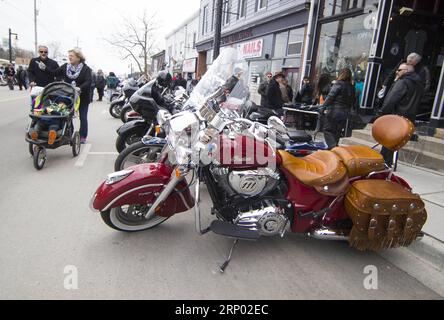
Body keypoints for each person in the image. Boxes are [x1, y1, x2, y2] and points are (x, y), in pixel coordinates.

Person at [40, 48, 92, 144]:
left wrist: (80, 88)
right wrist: (45, 68)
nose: (69, 57)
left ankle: (83, 136)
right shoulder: (65, 67)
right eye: (69, 56)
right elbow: (54, 73)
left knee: (83, 117)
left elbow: (88, 81)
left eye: (71, 56)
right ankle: (69, 134)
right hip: (69, 97)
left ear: (78, 57)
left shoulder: (86, 69)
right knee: (67, 116)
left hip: (82, 97)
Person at [377, 63, 424, 166]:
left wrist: (383, 113)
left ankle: (385, 162)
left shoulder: (402, 83)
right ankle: (390, 161)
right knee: (397, 141)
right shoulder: (419, 84)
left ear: (406, 71)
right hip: (409, 117)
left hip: (397, 116)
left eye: (399, 70)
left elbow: (391, 99)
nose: (396, 72)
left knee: (389, 140)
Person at [322, 68, 356, 150]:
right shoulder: (352, 87)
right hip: (345, 113)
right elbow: (353, 101)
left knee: (327, 130)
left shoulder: (338, 84)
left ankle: (334, 148)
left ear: (341, 74)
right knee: (337, 132)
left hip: (334, 111)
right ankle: (333, 150)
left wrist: (323, 107)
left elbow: (330, 97)